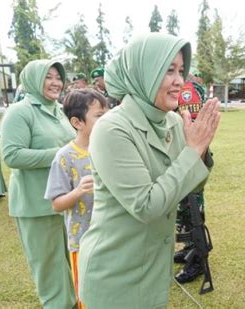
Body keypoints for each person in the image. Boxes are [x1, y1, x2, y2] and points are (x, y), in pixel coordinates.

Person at [78, 33, 221, 308]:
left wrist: (201, 151)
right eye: (168, 70)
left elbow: (191, 185)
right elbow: (146, 205)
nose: (179, 80)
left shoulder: (171, 121)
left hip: (152, 269)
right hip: (115, 274)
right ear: (145, 72)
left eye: (181, 70)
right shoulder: (112, 129)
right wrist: (192, 150)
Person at [0, 59, 77, 308]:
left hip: (65, 200)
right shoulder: (20, 112)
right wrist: (60, 154)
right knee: (49, 265)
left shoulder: (58, 109)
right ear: (33, 79)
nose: (56, 82)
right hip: (36, 204)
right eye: (48, 76)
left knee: (70, 259)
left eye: (58, 77)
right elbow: (12, 155)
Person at [44, 89, 109, 308]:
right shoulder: (64, 157)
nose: (107, 118)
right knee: (88, 296)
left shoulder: (111, 149)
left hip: (112, 237)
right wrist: (79, 190)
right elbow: (56, 204)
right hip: (82, 241)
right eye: (99, 115)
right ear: (77, 122)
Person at [174, 77, 212, 284]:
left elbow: (197, 124)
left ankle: (197, 260)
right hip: (178, 155)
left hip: (190, 154)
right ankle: (189, 249)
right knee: (182, 210)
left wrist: (195, 158)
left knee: (192, 209)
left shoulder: (189, 86)